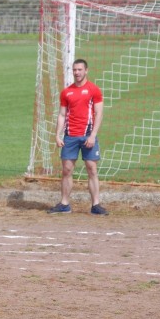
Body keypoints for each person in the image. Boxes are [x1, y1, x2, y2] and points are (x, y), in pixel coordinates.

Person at [48, 59, 108, 215]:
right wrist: (58, 135)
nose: (77, 72)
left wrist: (93, 135)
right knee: (67, 170)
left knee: (92, 169)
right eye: (74, 70)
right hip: (70, 137)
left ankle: (96, 205)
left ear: (86, 70)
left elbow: (99, 113)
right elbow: (62, 114)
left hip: (88, 136)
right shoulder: (66, 92)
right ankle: (64, 204)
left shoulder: (94, 90)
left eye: (80, 69)